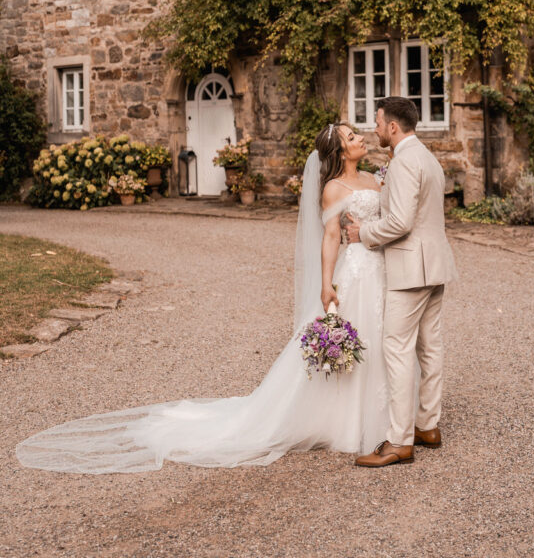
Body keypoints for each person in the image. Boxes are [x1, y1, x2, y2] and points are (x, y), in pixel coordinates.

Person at [15, 123, 390, 473]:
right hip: (355, 271)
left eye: (357, 134)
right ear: (341, 152)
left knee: (383, 337)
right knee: (355, 336)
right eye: (351, 137)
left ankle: (385, 414)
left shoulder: (373, 179)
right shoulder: (334, 188)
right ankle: (340, 421)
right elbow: (330, 237)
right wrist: (326, 284)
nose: (360, 137)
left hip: (380, 269)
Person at [345, 96, 458, 468]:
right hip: (434, 265)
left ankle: (399, 441)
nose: (375, 129)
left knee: (396, 348)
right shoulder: (427, 157)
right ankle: (427, 425)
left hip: (411, 270)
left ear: (393, 126)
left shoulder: (405, 161)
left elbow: (401, 222)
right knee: (430, 347)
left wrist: (363, 233)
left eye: (378, 122)